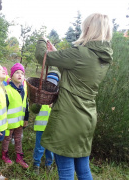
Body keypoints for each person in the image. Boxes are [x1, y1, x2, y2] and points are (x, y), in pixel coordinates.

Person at [35, 13, 113, 180]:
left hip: (68, 118)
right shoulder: (102, 58)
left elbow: (42, 57)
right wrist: (58, 53)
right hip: (86, 118)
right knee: (83, 170)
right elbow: (75, 73)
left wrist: (42, 39)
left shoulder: (80, 53)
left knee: (65, 172)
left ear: (89, 29)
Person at [1, 63, 29, 168]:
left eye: (22, 73)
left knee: (18, 139)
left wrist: (26, 118)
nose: (20, 75)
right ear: (11, 75)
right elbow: (4, 107)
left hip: (19, 122)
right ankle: (4, 155)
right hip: (9, 122)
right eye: (17, 72)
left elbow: (26, 105)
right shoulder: (7, 90)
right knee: (7, 139)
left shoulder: (23, 90)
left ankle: (19, 157)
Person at [32, 71, 60, 175]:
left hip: (52, 128)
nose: (50, 86)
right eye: (48, 83)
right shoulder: (41, 95)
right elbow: (34, 110)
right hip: (41, 127)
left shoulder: (58, 97)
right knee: (39, 147)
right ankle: (36, 164)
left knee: (50, 148)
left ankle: (48, 164)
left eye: (53, 84)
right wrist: (38, 104)